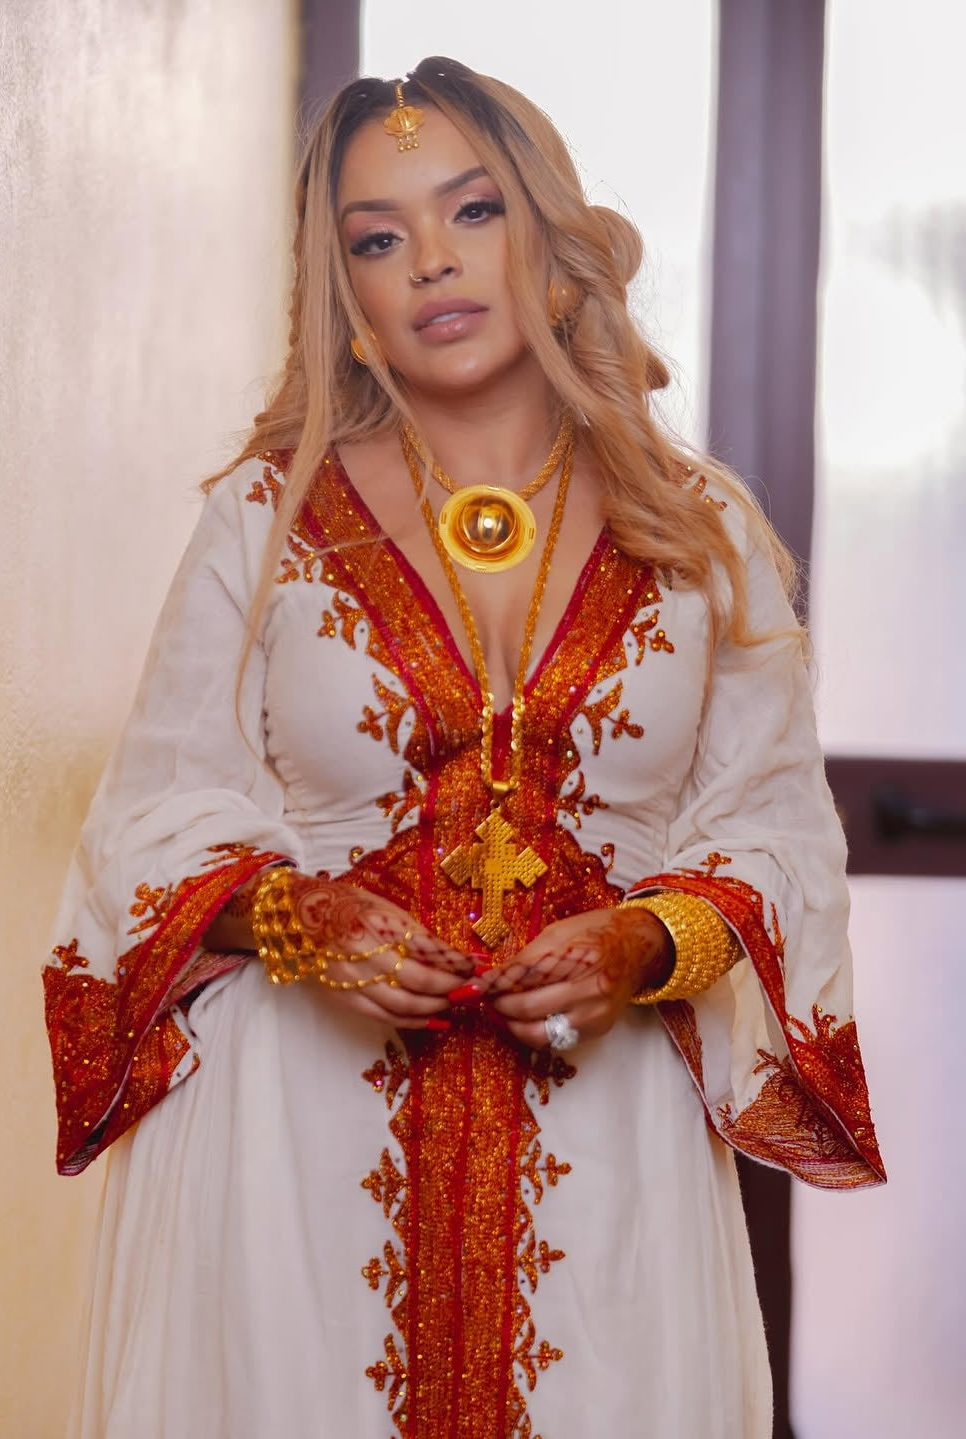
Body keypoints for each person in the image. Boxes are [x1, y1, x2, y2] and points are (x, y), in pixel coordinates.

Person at [43, 57, 884, 1439]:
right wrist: (297, 919)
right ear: (349, 300)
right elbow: (151, 815)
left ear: (549, 244)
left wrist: (642, 944)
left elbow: (775, 835)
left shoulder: (699, 530)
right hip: (293, 1156)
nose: (430, 260)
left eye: (472, 211)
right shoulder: (267, 522)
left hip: (609, 1159)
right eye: (378, 237)